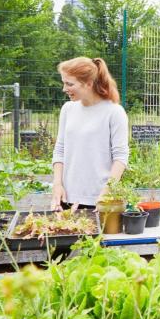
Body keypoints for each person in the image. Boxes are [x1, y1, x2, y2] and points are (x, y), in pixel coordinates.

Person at [50, 57, 129, 210]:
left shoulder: (114, 112)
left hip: (98, 200)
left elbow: (120, 157)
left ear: (88, 84)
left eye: (69, 84)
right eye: (64, 82)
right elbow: (60, 150)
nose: (64, 89)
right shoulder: (68, 109)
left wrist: (105, 194)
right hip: (66, 197)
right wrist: (57, 185)